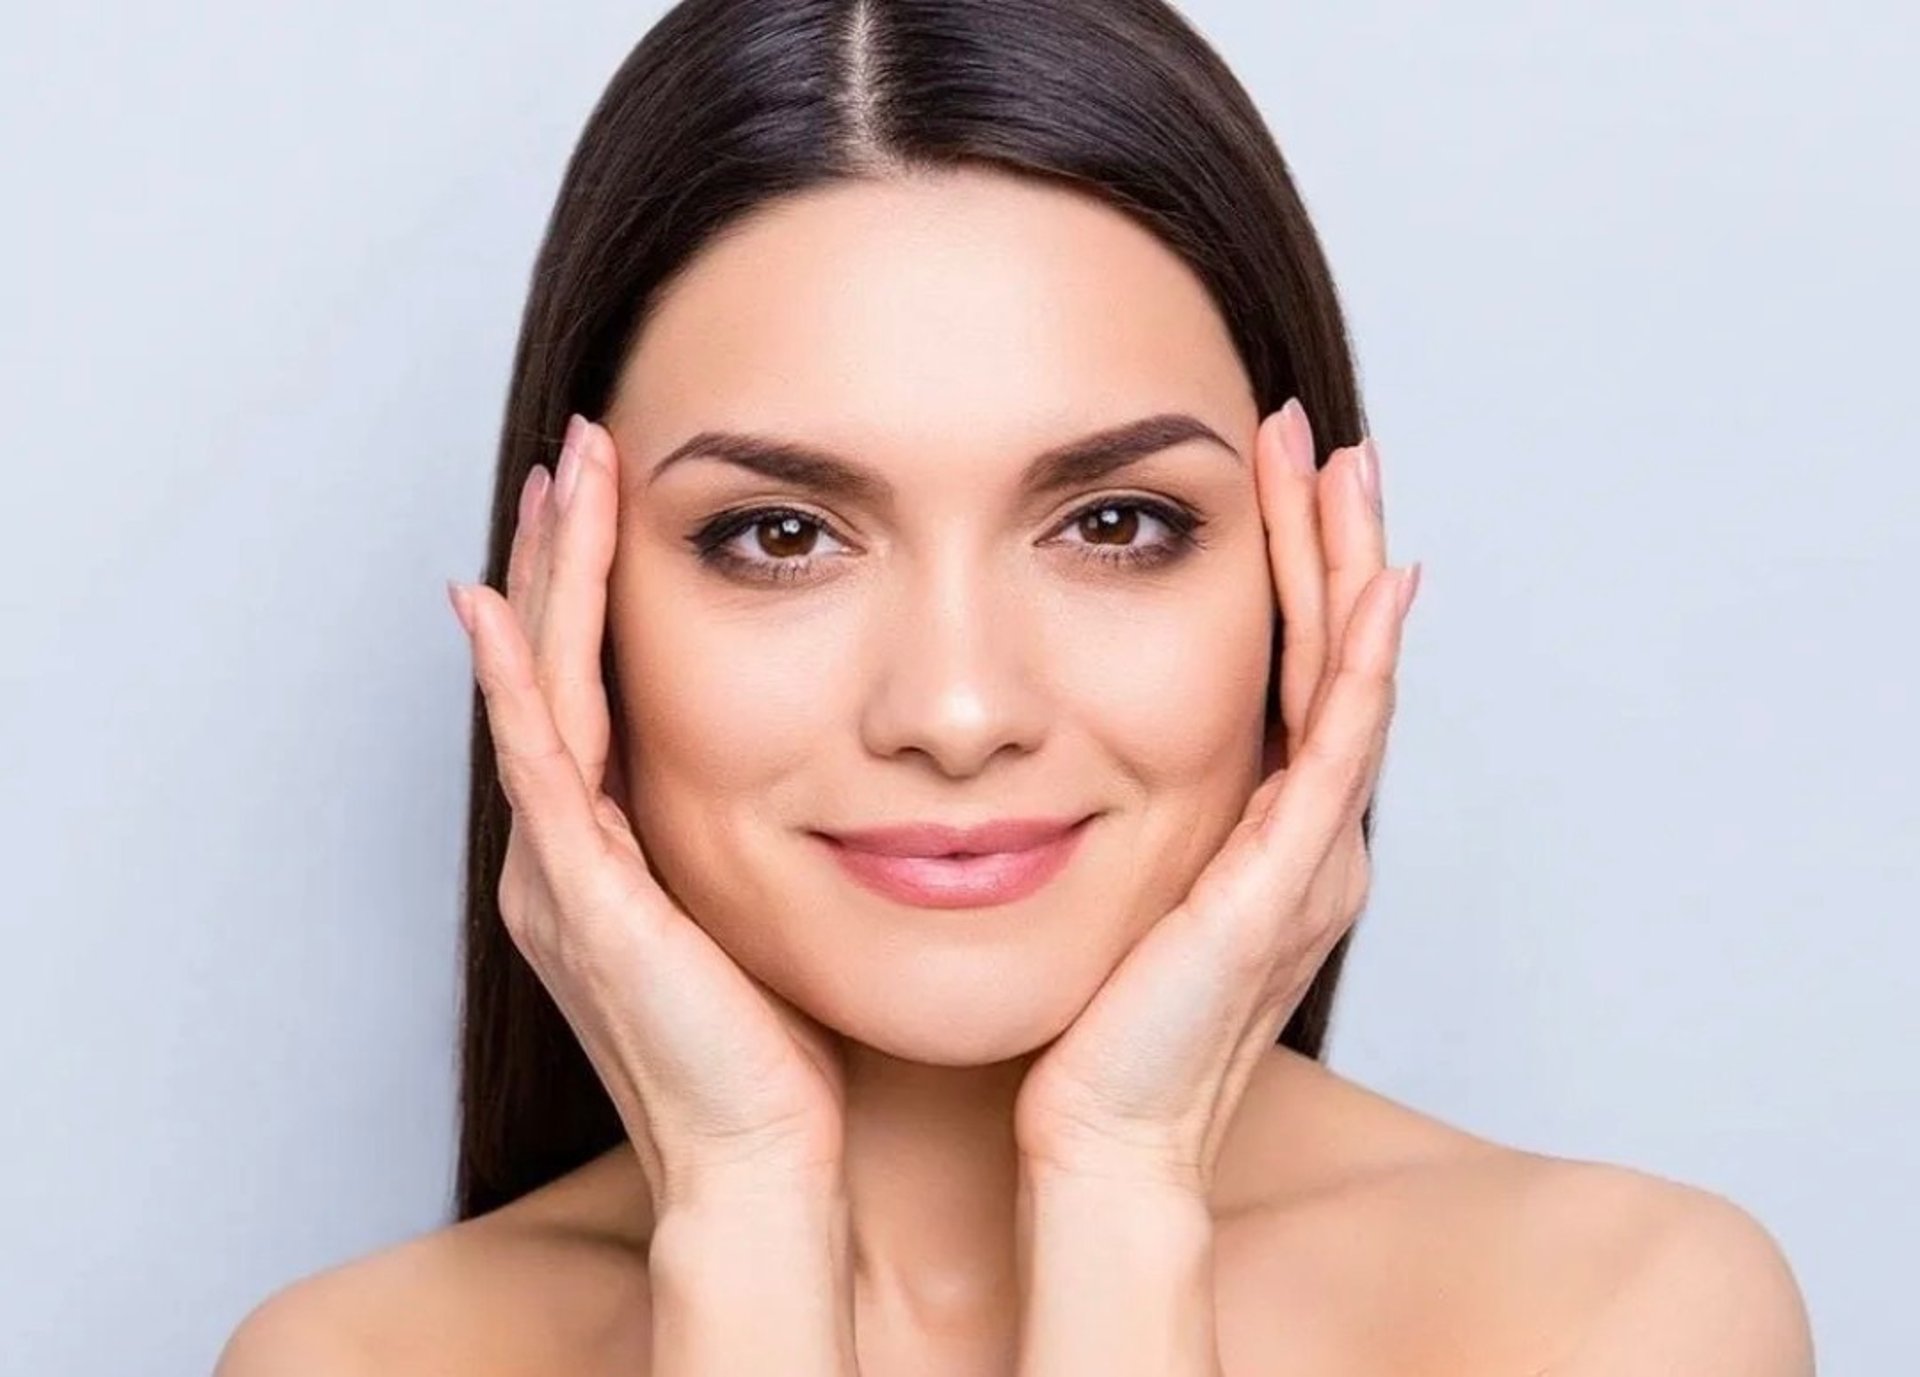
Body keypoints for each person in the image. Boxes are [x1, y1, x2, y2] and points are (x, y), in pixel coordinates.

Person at [216, 1, 1813, 1372]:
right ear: (580, 604)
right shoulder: (366, 1357)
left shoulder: (1606, 1315)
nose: (962, 707)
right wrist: (741, 1205)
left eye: (1116, 524)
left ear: (1301, 579)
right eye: (781, 533)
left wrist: (1125, 1184)